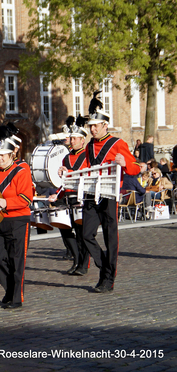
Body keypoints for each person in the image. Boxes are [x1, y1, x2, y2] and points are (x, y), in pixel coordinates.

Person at [81, 95, 140, 293]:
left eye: (96, 126)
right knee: (86, 234)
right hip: (92, 194)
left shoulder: (117, 143)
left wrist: (125, 164)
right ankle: (105, 265)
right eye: (91, 126)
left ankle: (107, 279)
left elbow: (136, 167)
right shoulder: (89, 146)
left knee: (110, 238)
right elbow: (87, 168)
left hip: (109, 195)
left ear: (105, 125)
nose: (92, 129)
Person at [0, 129, 33, 310]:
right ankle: (10, 289)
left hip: (17, 220)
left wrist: (7, 203)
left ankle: (16, 298)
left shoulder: (21, 171)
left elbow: (27, 198)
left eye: (2, 156)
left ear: (11, 154)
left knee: (16, 260)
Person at [55, 115, 90, 275]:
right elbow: (64, 180)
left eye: (75, 138)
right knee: (66, 229)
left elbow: (86, 175)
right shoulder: (66, 157)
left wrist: (69, 172)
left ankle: (83, 264)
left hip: (81, 198)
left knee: (82, 233)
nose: (72, 140)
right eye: (71, 138)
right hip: (67, 197)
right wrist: (56, 194)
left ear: (82, 140)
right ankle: (76, 260)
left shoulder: (87, 156)